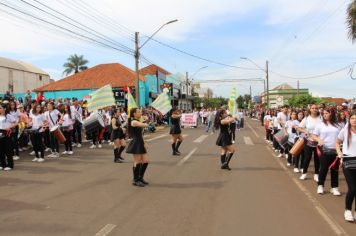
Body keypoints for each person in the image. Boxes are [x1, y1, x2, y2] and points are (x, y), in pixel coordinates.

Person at [312, 107, 342, 195]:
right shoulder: (320, 125)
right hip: (323, 150)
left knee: (335, 169)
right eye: (324, 113)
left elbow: (341, 137)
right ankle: (320, 185)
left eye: (327, 113)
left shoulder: (338, 125)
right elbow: (314, 135)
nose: (325, 115)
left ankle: (334, 187)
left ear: (332, 114)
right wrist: (318, 140)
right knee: (324, 168)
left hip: (336, 150)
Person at [336, 111, 356, 222]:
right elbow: (337, 142)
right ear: (349, 119)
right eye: (352, 118)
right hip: (348, 161)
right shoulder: (345, 131)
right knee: (353, 188)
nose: (354, 120)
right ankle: (348, 210)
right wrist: (339, 153)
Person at [126, 108, 149, 187]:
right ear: (134, 114)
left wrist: (144, 142)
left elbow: (141, 133)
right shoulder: (133, 122)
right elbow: (145, 125)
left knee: (146, 161)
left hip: (140, 142)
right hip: (136, 143)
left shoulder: (138, 121)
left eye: (140, 112)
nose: (140, 113)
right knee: (137, 161)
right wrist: (145, 120)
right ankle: (135, 180)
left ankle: (140, 177)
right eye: (139, 112)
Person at [298, 104, 322, 181]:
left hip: (318, 141)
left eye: (316, 108)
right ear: (310, 109)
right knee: (307, 157)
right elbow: (299, 128)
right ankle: (304, 173)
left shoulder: (321, 118)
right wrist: (305, 131)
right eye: (313, 108)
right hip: (308, 140)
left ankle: (316, 174)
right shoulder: (306, 118)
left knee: (317, 158)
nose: (314, 109)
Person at [0, 103, 17, 170]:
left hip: (7, 133)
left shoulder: (8, 116)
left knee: (8, 150)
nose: (0, 109)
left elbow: (15, 122)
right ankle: (2, 164)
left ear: (4, 108)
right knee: (1, 150)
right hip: (0, 132)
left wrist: (10, 127)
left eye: (0, 108)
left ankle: (10, 165)